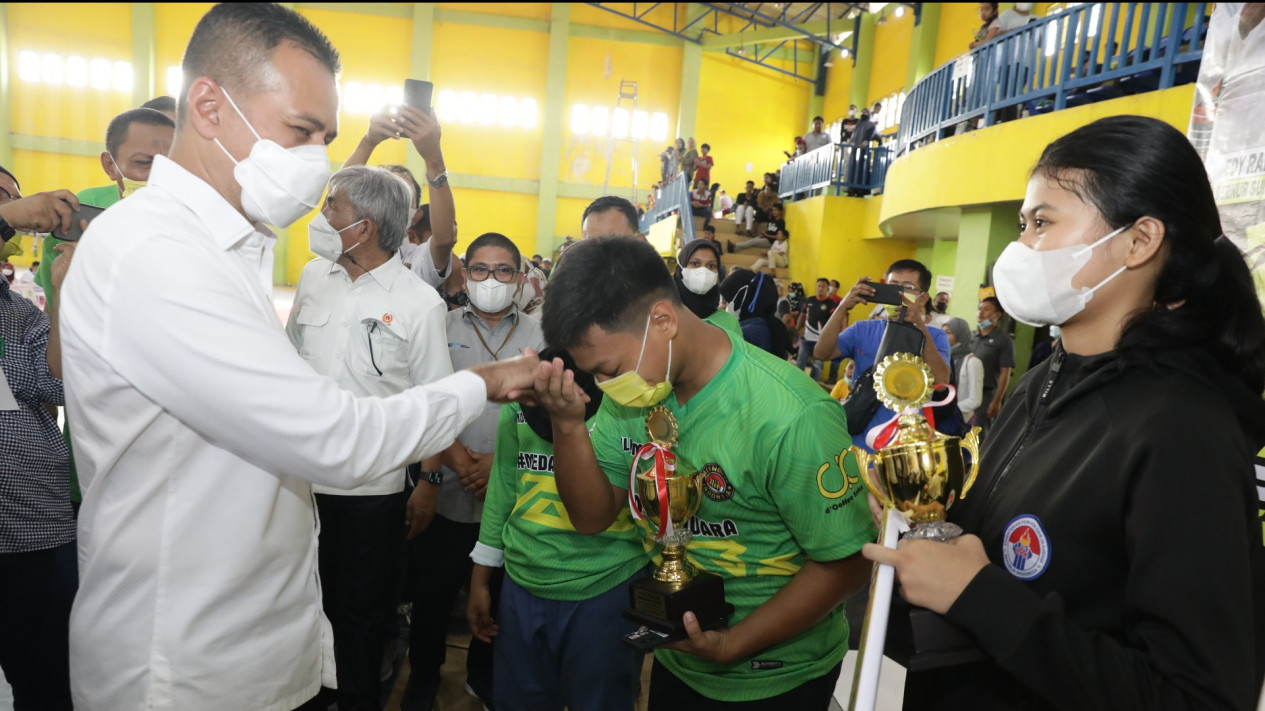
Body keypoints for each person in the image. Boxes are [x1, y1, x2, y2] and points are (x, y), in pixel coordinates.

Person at [57, 6, 538, 710]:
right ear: (210, 106)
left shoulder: (228, 251)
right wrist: (482, 382)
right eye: (301, 132)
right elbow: (336, 438)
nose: (315, 160)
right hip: (185, 669)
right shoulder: (154, 253)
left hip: (260, 651)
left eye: (329, 138)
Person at [865, 114, 1265, 710]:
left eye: (1042, 224)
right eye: (1024, 224)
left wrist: (978, 596)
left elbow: (1200, 696)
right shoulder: (1041, 381)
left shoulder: (1184, 431)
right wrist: (925, 529)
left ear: (1139, 241)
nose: (1020, 248)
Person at [534, 236, 874, 708]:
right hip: (679, 659)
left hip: (778, 675)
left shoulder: (791, 415)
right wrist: (567, 425)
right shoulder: (634, 398)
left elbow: (847, 561)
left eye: (609, 368)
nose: (605, 385)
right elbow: (592, 517)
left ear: (664, 320)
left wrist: (731, 644)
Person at [285, 165, 452, 711]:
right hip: (297, 487)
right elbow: (287, 366)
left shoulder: (418, 304)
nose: (323, 216)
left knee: (360, 617)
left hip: (369, 494)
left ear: (366, 225)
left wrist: (428, 481)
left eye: (333, 206)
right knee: (296, 606)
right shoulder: (314, 278)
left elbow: (434, 405)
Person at [405, 232, 546, 711]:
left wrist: (496, 464)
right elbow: (425, 399)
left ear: (520, 278)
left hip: (509, 497)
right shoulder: (438, 325)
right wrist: (459, 460)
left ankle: (483, 678)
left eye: (504, 270)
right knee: (432, 597)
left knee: (496, 602)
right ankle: (423, 676)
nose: (492, 280)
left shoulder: (541, 336)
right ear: (466, 275)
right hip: (445, 488)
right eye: (481, 269)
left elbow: (546, 414)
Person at [468, 347, 647, 711]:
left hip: (605, 586)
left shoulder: (631, 403)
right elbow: (503, 488)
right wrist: (481, 577)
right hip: (522, 584)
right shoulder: (523, 400)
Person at [0, 174, 84, 711]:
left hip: (31, 530)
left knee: (48, 681)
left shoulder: (17, 312)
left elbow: (54, 382)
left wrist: (61, 291)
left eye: (8, 197)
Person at [35, 107, 175, 304]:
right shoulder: (76, 219)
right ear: (110, 166)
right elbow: (55, 321)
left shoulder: (205, 226)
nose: (161, 176)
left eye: (173, 165)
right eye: (144, 163)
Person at [813, 259, 952, 448]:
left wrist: (919, 325)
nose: (899, 293)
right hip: (858, 438)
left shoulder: (936, 336)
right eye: (893, 286)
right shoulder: (862, 329)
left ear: (923, 298)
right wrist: (843, 307)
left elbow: (942, 383)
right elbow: (821, 353)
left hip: (906, 445)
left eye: (908, 287)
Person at [345, 106, 457, 290]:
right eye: (384, 193)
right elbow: (337, 198)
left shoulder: (419, 261)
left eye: (402, 197)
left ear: (415, 216)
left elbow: (444, 239)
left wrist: (433, 159)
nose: (391, 203)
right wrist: (368, 141)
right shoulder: (347, 245)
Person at [720, 267, 794, 360]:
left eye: (725, 301)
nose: (722, 306)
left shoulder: (747, 333)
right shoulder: (766, 324)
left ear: (741, 298)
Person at [971, 296, 1014, 430]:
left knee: (978, 434)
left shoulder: (1003, 340)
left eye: (986, 309)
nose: (981, 312)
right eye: (980, 308)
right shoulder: (972, 335)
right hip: (967, 392)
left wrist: (997, 401)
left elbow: (1005, 373)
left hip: (986, 395)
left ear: (997, 315)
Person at [673, 238, 733, 329]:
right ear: (681, 268)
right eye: (695, 264)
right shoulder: (663, 314)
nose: (703, 271)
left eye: (711, 266)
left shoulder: (729, 323)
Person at [942, 317, 984, 422]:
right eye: (942, 332)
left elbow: (975, 400)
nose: (943, 336)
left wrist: (950, 411)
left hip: (960, 419)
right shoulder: (944, 358)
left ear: (960, 335)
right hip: (941, 417)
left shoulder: (973, 362)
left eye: (948, 332)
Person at [798, 278, 838, 381]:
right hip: (806, 339)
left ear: (827, 289)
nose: (820, 289)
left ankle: (812, 387)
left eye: (823, 287)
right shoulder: (809, 300)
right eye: (818, 286)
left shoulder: (831, 304)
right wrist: (797, 329)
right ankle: (797, 384)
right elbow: (802, 316)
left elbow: (835, 322)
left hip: (821, 341)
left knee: (817, 366)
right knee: (800, 363)